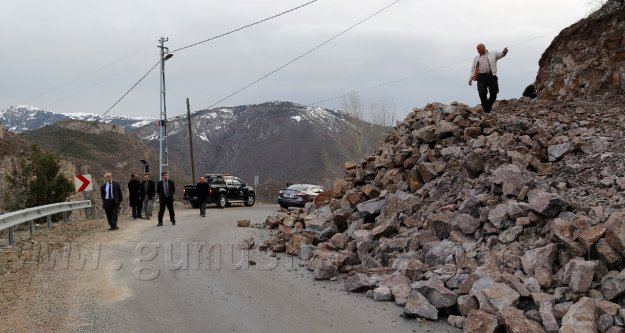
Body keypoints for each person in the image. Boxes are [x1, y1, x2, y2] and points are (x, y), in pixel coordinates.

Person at [469, 43, 508, 113]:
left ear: (483, 48)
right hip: (481, 77)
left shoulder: (493, 54)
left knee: (494, 92)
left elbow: (500, 55)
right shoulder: (476, 58)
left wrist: (504, 52)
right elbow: (473, 69)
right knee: (482, 92)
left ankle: (488, 106)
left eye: (479, 48)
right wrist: (470, 78)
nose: (477, 50)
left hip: (491, 76)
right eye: (477, 49)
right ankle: (486, 111)